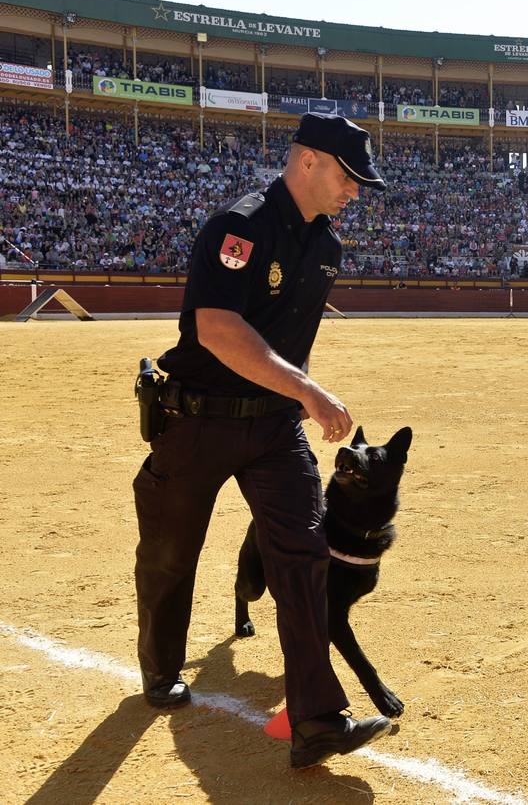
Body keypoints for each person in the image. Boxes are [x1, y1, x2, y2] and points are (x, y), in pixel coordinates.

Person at [133, 114, 392, 769]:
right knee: (169, 554)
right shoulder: (239, 226)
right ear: (307, 161)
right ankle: (161, 667)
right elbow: (218, 329)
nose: (355, 192)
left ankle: (316, 720)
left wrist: (291, 394)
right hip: (198, 420)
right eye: (348, 176)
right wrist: (307, 389)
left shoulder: (326, 247)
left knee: (304, 557)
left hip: (275, 428)